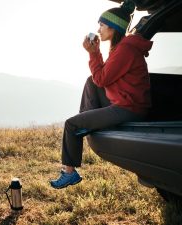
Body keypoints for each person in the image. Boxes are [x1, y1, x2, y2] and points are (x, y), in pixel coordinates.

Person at [50, 2, 153, 189]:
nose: (99, 29)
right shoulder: (123, 47)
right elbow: (99, 79)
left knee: (71, 124)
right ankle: (86, 123)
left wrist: (93, 53)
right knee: (90, 81)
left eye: (102, 25)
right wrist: (96, 53)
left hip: (129, 108)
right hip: (128, 101)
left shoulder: (125, 50)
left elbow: (102, 78)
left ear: (113, 28)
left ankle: (69, 173)